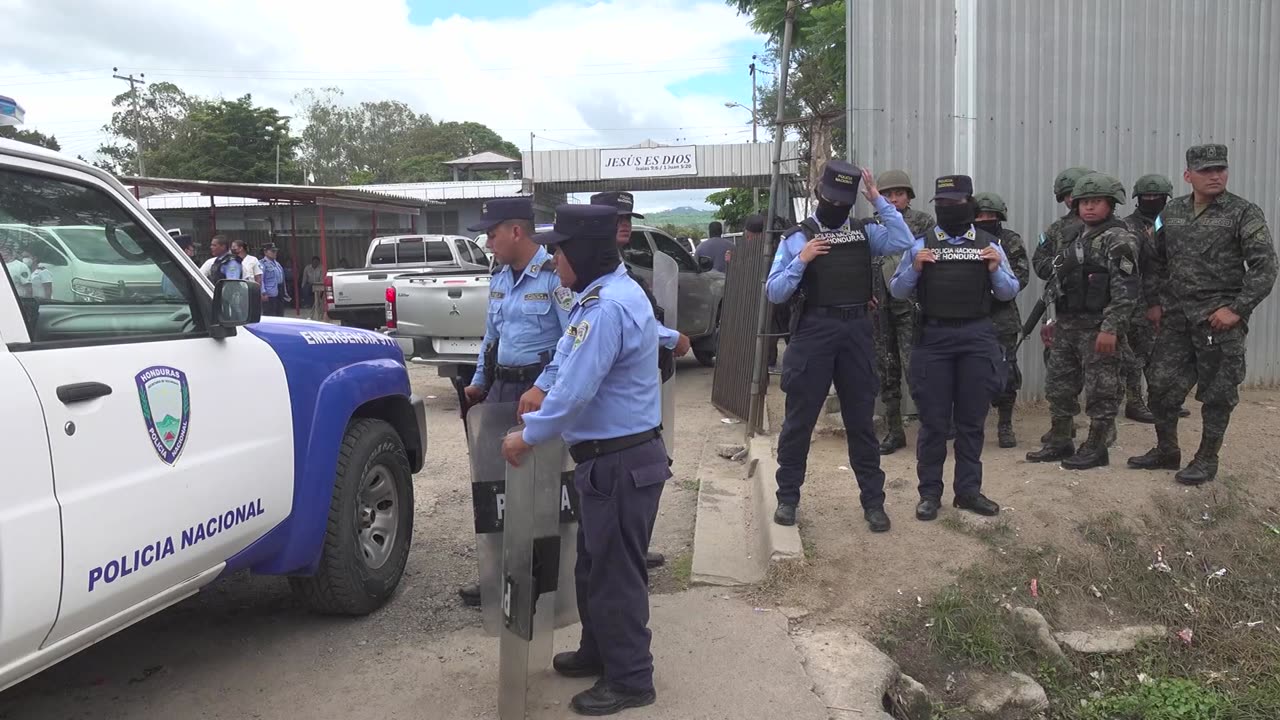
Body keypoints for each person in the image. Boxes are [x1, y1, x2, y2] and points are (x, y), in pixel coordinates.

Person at [501, 203, 668, 716]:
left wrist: (528, 437)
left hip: (619, 461)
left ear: (584, 252)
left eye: (558, 249)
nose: (552, 259)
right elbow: (563, 362)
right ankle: (602, 651)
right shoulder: (593, 299)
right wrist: (539, 386)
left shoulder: (607, 307)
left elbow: (575, 393)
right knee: (594, 567)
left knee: (617, 573)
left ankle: (632, 678)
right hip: (607, 461)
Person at [767, 159, 914, 532]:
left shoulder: (864, 232)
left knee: (861, 424)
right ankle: (787, 499)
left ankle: (873, 503)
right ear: (818, 193)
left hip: (856, 332)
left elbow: (903, 240)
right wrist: (802, 260)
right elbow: (775, 292)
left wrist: (878, 200)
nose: (836, 207)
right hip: (814, 329)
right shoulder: (798, 237)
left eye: (844, 203)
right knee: (799, 422)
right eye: (831, 199)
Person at [1129, 144, 1277, 485]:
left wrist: (1236, 310)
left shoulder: (1243, 212)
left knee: (1218, 392)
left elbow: (1265, 267)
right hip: (1176, 318)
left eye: (1220, 169)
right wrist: (1154, 301)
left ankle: (1206, 459)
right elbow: (1154, 258)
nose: (1215, 175)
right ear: (1188, 175)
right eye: (1206, 170)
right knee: (1161, 386)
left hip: (1218, 320)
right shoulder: (1173, 212)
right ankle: (1167, 450)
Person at [457, 198, 572, 608]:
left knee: (541, 489)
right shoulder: (501, 277)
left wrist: (543, 386)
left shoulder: (553, 276)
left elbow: (571, 341)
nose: (488, 242)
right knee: (494, 486)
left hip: (536, 396)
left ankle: (540, 580)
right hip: (502, 392)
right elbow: (492, 336)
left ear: (516, 231)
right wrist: (478, 383)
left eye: (491, 233)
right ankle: (497, 576)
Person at [890, 175, 1018, 520]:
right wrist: (915, 268)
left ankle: (968, 491)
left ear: (970, 203)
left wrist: (995, 269)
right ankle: (929, 494)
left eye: (955, 203)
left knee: (971, 420)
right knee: (933, 423)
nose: (948, 208)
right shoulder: (921, 244)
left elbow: (1008, 291)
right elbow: (898, 291)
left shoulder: (990, 244)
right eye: (942, 203)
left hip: (976, 337)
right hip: (934, 339)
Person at [589, 189, 684, 570]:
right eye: (616, 219)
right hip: (601, 405)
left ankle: (630, 549)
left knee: (640, 478)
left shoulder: (624, 271)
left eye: (627, 218)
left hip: (635, 394)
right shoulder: (586, 275)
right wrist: (674, 338)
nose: (625, 224)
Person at [1025, 173, 1140, 470]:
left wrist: (1111, 328)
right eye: (1084, 202)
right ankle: (1061, 439)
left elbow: (1126, 290)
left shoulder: (1120, 238)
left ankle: (1096, 446)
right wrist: (1052, 320)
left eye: (1096, 202)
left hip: (1097, 327)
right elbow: (1058, 280)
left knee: (1101, 390)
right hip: (1067, 324)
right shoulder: (1075, 235)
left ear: (1111, 204)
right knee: (1059, 386)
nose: (1088, 208)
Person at [870, 169, 936, 454]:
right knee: (887, 371)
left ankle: (931, 430)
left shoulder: (923, 222)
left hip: (911, 308)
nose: (894, 199)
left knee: (917, 371)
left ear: (908, 196)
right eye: (887, 194)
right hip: (879, 309)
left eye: (899, 194)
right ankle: (895, 431)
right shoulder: (871, 224)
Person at [1031, 166, 1091, 444]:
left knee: (1100, 374)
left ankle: (1103, 429)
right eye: (1067, 195)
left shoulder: (1112, 228)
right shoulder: (1056, 229)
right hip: (1062, 309)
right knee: (1058, 372)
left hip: (1096, 311)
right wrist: (1060, 267)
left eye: (1076, 193)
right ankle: (1062, 425)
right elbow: (1039, 263)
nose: (1072, 199)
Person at [973, 192, 1030, 448]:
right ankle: (970, 423)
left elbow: (1021, 276)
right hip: (971, 316)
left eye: (990, 215)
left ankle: (1005, 424)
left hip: (1003, 316)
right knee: (970, 372)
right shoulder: (964, 240)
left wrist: (996, 286)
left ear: (1000, 217)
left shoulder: (1010, 240)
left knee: (1006, 373)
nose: (984, 219)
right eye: (979, 215)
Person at [1119, 174, 1175, 424]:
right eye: (1146, 197)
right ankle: (1134, 401)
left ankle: (1160, 402)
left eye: (1157, 197)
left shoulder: (1173, 222)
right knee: (1137, 355)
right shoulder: (1128, 226)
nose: (1151, 200)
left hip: (1171, 299)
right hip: (1139, 301)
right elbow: (1131, 267)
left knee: (1163, 354)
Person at [162, 234, 197, 300]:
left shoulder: (171, 267)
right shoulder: (182, 270)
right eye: (192, 248)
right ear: (186, 251)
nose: (194, 251)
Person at [260, 243, 288, 316]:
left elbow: (282, 278)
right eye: (272, 251)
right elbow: (260, 279)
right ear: (265, 252)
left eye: (275, 251)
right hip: (270, 293)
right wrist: (263, 292)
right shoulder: (262, 264)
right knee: (270, 314)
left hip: (279, 290)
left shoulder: (277, 263)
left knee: (280, 313)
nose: (275, 253)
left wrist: (284, 291)